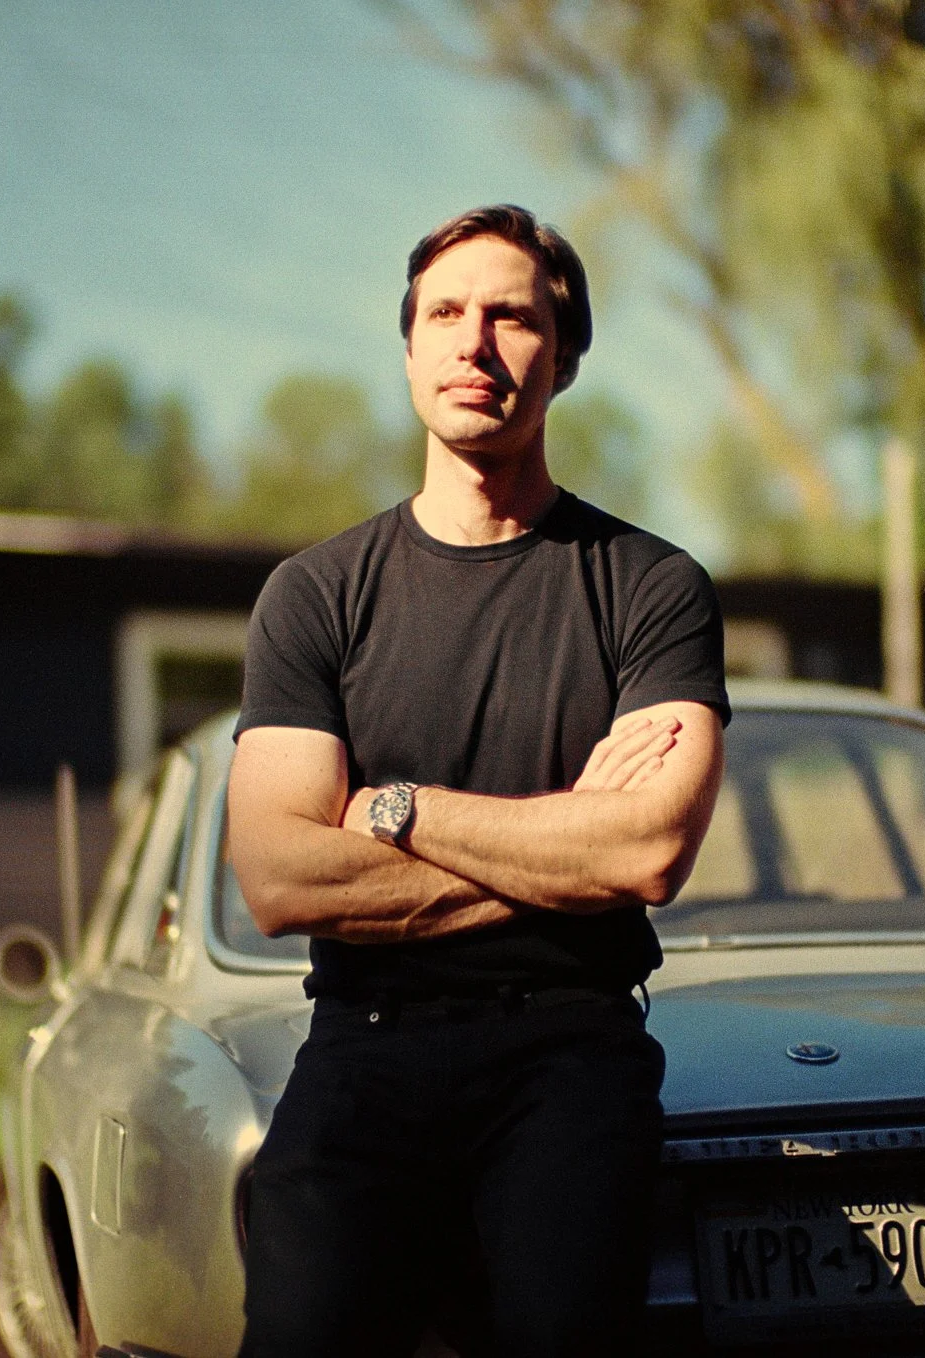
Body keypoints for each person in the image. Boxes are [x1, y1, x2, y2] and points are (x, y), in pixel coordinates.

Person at [227, 204, 728, 1358]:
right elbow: (276, 875)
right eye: (444, 314)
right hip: (364, 1037)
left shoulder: (650, 587)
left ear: (565, 355)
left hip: (570, 1050)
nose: (475, 343)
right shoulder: (313, 594)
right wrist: (570, 847)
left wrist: (391, 810)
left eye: (513, 316)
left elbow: (648, 852)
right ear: (406, 350)